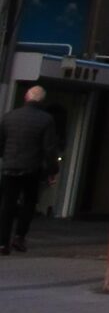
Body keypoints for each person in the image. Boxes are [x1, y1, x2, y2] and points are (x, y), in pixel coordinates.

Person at [0, 86, 61, 254]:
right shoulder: (46, 120)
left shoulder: (9, 116)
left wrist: (7, 157)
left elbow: (1, 142)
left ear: (26, 97)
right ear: (42, 101)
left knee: (7, 205)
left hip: (10, 167)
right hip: (32, 167)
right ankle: (19, 237)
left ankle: (2, 243)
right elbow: (49, 148)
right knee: (29, 203)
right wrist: (52, 170)